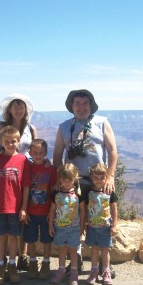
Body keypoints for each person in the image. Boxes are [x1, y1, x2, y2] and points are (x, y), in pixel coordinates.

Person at [52, 89, 118, 274]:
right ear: (71, 107)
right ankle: (77, 258)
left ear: (91, 105)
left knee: (101, 220)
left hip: (98, 181)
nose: (81, 107)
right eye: (77, 104)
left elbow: (112, 151)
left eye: (85, 103)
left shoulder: (102, 123)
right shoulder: (64, 127)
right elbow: (57, 155)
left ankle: (105, 264)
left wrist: (111, 176)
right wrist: (60, 178)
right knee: (73, 221)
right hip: (73, 182)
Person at [0, 93, 36, 270]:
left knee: (23, 215)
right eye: (16, 106)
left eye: (22, 107)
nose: (19, 110)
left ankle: (23, 256)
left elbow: (36, 149)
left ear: (26, 110)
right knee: (9, 220)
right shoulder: (1, 127)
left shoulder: (30, 128)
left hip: (26, 171)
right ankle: (4, 261)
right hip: (5, 171)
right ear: (9, 110)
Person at [0, 126, 31, 285]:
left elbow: (26, 186)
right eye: (7, 142)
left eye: (13, 141)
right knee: (0, 237)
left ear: (18, 142)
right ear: (1, 142)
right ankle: (0, 267)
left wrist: (24, 207)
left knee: (13, 237)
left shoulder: (23, 161)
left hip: (16, 208)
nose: (10, 144)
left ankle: (12, 266)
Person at [23, 139, 57, 280]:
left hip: (46, 212)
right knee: (30, 239)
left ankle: (46, 263)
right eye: (35, 153)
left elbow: (54, 190)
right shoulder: (28, 168)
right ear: (30, 153)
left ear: (46, 153)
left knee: (46, 239)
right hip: (31, 212)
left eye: (41, 153)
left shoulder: (50, 169)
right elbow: (24, 189)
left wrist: (51, 212)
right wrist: (24, 209)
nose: (38, 155)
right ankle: (32, 262)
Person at [48, 163, 86, 285]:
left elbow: (82, 211)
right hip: (60, 228)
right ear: (60, 179)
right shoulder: (56, 194)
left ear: (74, 178)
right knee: (62, 249)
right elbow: (52, 210)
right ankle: (61, 270)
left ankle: (74, 272)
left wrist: (82, 226)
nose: (67, 182)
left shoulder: (78, 195)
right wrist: (50, 225)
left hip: (74, 228)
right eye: (64, 180)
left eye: (69, 180)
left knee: (73, 250)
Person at [84, 164, 118, 285]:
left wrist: (114, 225)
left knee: (105, 250)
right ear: (91, 178)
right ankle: (93, 272)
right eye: (96, 177)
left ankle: (106, 272)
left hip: (105, 227)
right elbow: (86, 209)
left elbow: (114, 209)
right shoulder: (89, 192)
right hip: (92, 226)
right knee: (94, 249)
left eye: (101, 178)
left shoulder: (109, 192)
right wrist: (84, 224)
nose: (99, 180)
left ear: (106, 178)